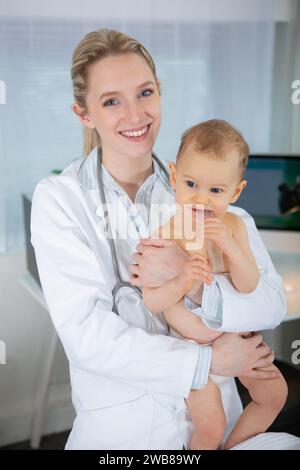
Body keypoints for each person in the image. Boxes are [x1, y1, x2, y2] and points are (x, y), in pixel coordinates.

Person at [30, 28, 291, 450]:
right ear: (84, 114)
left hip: (223, 424)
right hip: (125, 437)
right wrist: (206, 359)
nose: (135, 115)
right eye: (112, 100)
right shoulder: (61, 199)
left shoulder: (205, 186)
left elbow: (271, 303)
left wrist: (184, 277)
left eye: (145, 92)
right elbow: (88, 336)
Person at [142, 119, 288, 450]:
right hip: (198, 355)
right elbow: (151, 300)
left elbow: (250, 285)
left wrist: (231, 248)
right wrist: (182, 279)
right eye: (191, 183)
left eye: (216, 191)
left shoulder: (235, 225)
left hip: (239, 339)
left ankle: (233, 447)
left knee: (274, 394)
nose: (201, 200)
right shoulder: (166, 234)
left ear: (235, 192)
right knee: (211, 423)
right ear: (174, 176)